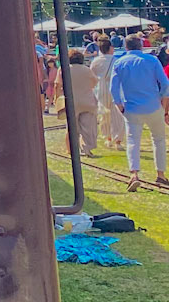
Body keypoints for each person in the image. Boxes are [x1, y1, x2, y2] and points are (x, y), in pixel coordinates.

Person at [111, 33, 169, 190]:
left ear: (126, 47)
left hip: (131, 107)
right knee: (159, 140)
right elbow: (165, 83)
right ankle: (160, 174)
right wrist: (164, 104)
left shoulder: (119, 62)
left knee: (132, 141)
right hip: (153, 104)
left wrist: (120, 106)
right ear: (141, 45)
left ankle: (134, 174)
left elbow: (113, 88)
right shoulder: (152, 60)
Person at [66, 47, 97, 154]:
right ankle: (86, 148)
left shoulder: (64, 69)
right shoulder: (87, 69)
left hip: (71, 101)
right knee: (87, 127)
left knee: (72, 127)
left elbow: (58, 84)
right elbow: (94, 82)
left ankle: (72, 149)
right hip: (87, 101)